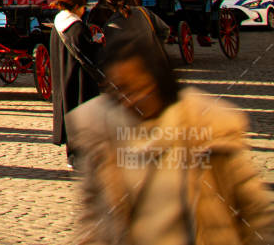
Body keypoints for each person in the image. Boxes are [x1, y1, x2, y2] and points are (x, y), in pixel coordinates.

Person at [68, 34, 272, 245]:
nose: (130, 100)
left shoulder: (208, 130)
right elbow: (92, 215)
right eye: (120, 90)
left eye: (138, 88)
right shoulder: (102, 134)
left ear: (159, 81)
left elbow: (255, 210)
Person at [49, 0, 102, 167]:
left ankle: (73, 156)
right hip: (79, 78)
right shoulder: (76, 27)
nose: (84, 11)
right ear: (77, 7)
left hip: (63, 76)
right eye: (83, 8)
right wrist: (99, 44)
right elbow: (87, 52)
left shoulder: (58, 24)